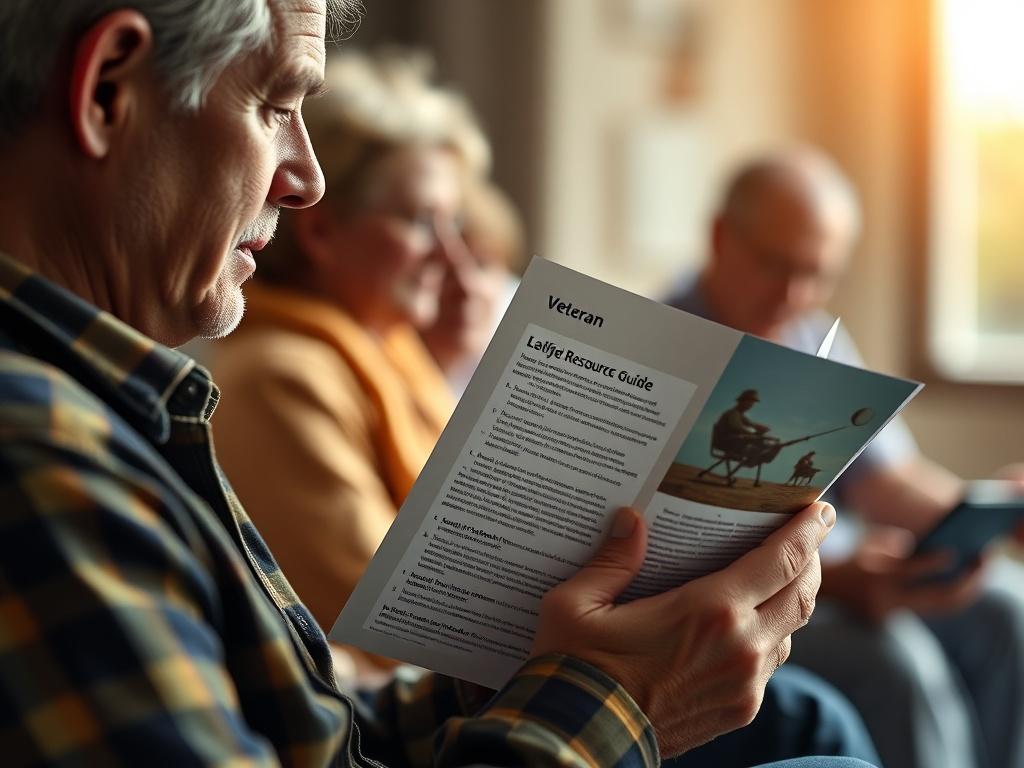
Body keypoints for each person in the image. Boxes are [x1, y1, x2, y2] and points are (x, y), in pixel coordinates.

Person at [0, 3, 878, 766]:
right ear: (109, 89)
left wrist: (540, 676)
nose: (303, 181)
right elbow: (371, 620)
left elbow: (311, 728)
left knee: (814, 726)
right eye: (274, 105)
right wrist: (623, 696)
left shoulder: (129, 410)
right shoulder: (46, 456)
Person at [664, 146, 1024, 768]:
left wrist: (986, 514)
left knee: (1007, 605)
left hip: (836, 569)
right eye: (777, 265)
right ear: (721, 238)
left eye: (818, 272)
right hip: (745, 597)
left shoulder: (811, 332)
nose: (796, 293)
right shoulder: (663, 343)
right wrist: (839, 581)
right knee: (895, 661)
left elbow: (890, 479)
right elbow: (675, 551)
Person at [211, 50, 486, 674]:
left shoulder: (391, 353)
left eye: (455, 221)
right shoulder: (281, 376)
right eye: (421, 221)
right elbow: (400, 626)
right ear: (321, 232)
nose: (452, 253)